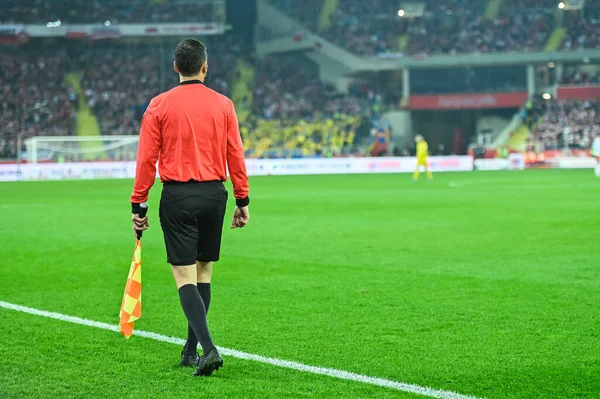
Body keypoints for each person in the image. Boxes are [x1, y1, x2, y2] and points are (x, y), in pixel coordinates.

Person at [129, 39, 250, 377]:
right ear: (205, 67)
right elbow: (235, 154)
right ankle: (189, 350)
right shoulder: (224, 104)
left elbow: (146, 160)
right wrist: (242, 199)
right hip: (215, 196)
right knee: (203, 274)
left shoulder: (158, 105)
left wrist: (139, 203)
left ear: (175, 67)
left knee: (184, 276)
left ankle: (208, 349)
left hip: (178, 196)